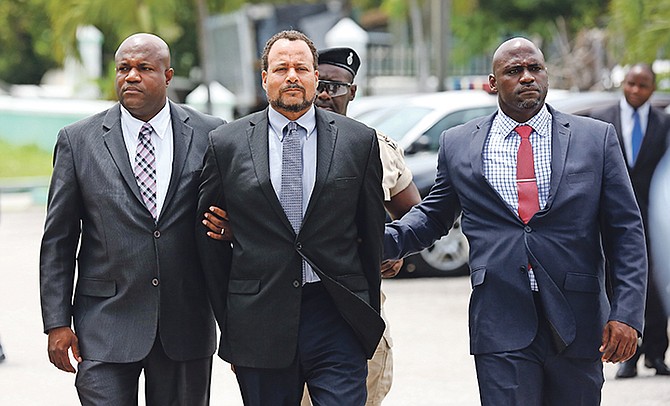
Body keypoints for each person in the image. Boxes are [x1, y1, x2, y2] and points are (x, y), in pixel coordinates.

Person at [383, 37, 647, 405]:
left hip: (579, 318)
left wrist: (628, 314)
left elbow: (626, 232)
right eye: (514, 71)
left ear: (546, 76)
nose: (527, 77)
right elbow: (432, 216)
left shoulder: (595, 138)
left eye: (535, 68)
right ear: (493, 83)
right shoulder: (458, 143)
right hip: (500, 320)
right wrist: (375, 241)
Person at [202, 47, 421, 405]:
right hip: (260, 318)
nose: (291, 76)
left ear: (314, 77)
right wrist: (233, 319)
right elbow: (209, 240)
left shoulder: (358, 141)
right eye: (281, 68)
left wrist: (363, 311)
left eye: (301, 68)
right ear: (264, 78)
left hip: (336, 315)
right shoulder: (227, 143)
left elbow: (369, 229)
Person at [39, 33, 223, 405]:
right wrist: (57, 322)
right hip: (105, 322)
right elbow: (58, 239)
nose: (131, 76)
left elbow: (234, 210)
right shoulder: (78, 141)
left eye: (144, 68)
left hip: (185, 322)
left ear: (168, 76)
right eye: (124, 68)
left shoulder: (212, 134)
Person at [589, 63, 670, 378]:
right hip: (611, 220)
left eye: (644, 85)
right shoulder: (600, 119)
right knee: (616, 286)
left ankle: (655, 353)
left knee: (654, 289)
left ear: (652, 88)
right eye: (632, 83)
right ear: (624, 83)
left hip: (654, 221)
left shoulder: (664, 124)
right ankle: (626, 356)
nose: (636, 90)